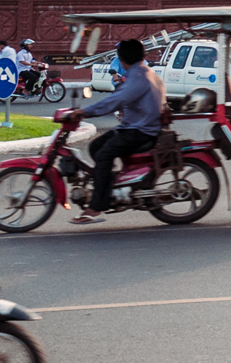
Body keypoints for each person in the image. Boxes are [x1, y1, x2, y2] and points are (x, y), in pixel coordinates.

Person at [66, 39, 167, 225]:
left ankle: (96, 206)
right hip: (134, 126)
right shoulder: (142, 72)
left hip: (140, 131)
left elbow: (114, 101)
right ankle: (110, 185)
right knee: (96, 146)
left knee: (104, 155)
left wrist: (83, 112)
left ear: (121, 59)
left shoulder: (139, 77)